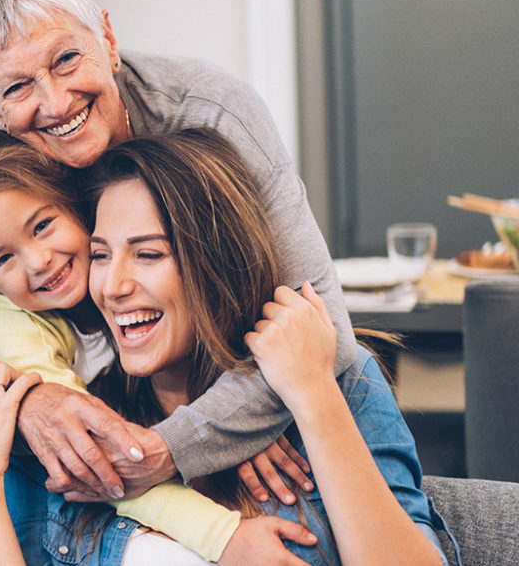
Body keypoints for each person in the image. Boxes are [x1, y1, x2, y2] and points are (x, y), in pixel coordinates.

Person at [0, 0, 354, 506]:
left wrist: (179, 441)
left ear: (107, 38)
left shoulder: (212, 113)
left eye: (65, 59)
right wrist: (31, 404)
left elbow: (325, 334)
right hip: (113, 418)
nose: (55, 104)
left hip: (233, 412)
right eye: (17, 86)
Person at [0, 128, 317, 565]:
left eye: (42, 226)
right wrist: (224, 537)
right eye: (3, 260)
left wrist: (240, 426)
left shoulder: (117, 287)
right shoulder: (8, 319)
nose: (38, 261)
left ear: (76, 207)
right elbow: (96, 458)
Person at [80, 130, 448, 564]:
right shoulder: (89, 418)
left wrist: (313, 396)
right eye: (100, 255)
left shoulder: (338, 381)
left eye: (149, 254)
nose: (112, 287)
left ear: (218, 263)